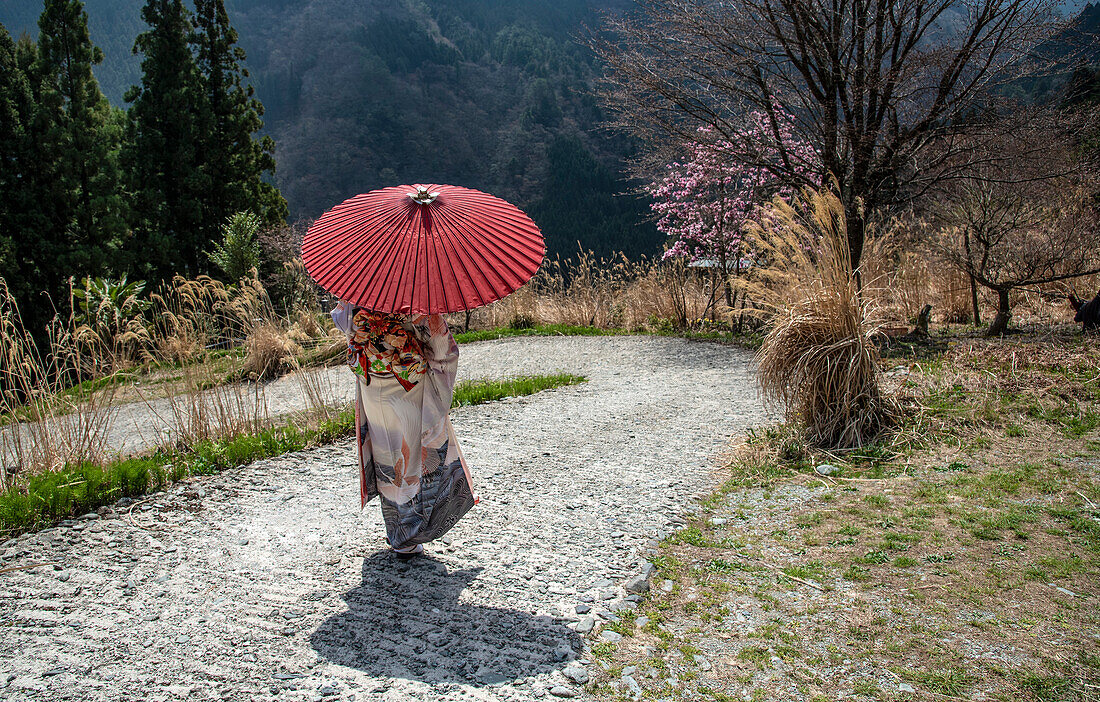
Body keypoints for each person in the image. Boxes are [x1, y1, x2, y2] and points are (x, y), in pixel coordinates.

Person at [331, 301, 476, 560]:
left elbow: (344, 324)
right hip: (407, 385)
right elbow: (444, 349)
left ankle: (395, 529)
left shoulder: (354, 294)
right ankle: (407, 534)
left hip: (372, 383)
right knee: (411, 460)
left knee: (387, 455)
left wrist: (372, 341)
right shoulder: (414, 297)